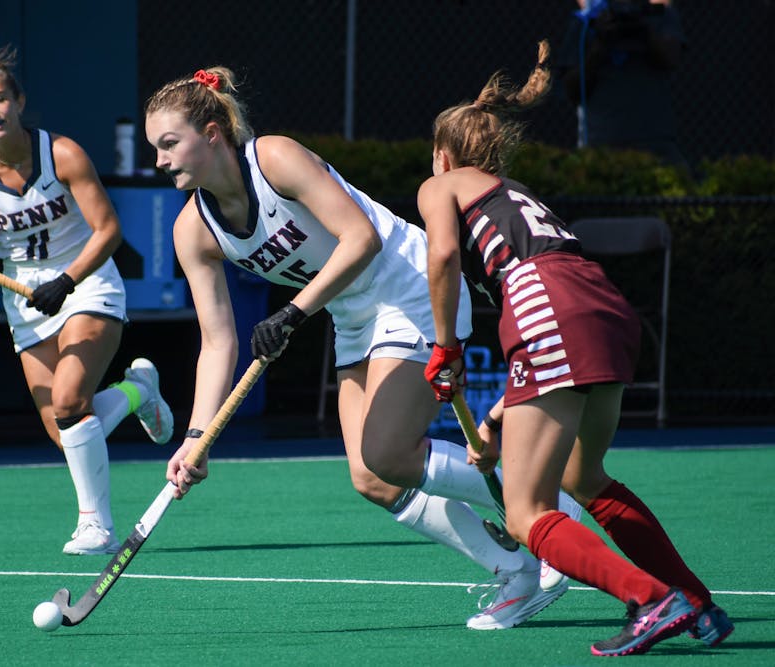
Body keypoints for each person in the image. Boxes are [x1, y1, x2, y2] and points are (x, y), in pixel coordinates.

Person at [143, 66, 585, 630]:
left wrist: (293, 312)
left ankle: (546, 499)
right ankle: (514, 571)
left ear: (211, 134)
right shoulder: (192, 230)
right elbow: (217, 340)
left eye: (169, 144)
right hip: (353, 316)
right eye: (156, 149)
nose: (160, 161)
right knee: (373, 477)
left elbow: (361, 238)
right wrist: (196, 437)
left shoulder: (273, 158)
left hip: (408, 287)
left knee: (385, 450)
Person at [417, 40, 733, 655]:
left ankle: (651, 599)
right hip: (601, 305)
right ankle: (696, 602)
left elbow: (444, 256)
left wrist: (446, 347)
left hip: (546, 306)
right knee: (582, 475)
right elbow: (560, 327)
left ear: (443, 153)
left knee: (524, 512)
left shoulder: (443, 185)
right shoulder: (513, 193)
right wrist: (496, 418)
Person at [0, 44, 174, 556]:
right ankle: (137, 391)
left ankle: (96, 527)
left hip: (87, 282)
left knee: (68, 403)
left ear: (18, 102)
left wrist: (66, 280)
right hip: (24, 301)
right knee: (67, 434)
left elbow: (108, 230)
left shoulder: (62, 154)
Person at [558, 0, 688, 169]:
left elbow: (671, 59)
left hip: (656, 144)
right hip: (602, 146)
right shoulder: (587, 20)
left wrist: (644, 32)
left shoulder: (658, 14)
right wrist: (600, 46)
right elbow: (571, 89)